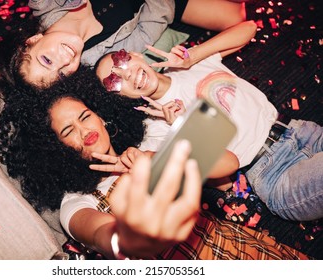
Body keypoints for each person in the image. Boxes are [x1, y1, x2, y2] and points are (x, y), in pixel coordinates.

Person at [0, 66, 308, 259]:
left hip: (240, 250)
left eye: (85, 116)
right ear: (55, 148)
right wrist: (136, 232)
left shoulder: (148, 143)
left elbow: (228, 162)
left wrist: (152, 158)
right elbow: (109, 239)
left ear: (101, 117)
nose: (84, 129)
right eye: (67, 130)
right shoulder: (75, 203)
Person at [94, 25, 323, 222]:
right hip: (274, 175)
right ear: (119, 97)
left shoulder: (187, 62)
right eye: (114, 82)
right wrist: (185, 128)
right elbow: (227, 167)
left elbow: (249, 28)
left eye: (121, 63)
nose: (128, 76)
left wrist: (194, 56)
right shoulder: (157, 127)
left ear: (135, 54)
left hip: (301, 131)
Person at [0, 0, 247, 98]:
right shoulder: (98, 59)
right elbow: (154, 21)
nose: (64, 60)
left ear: (30, 41)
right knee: (237, 15)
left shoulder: (46, 3)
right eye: (62, 74)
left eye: (46, 59)